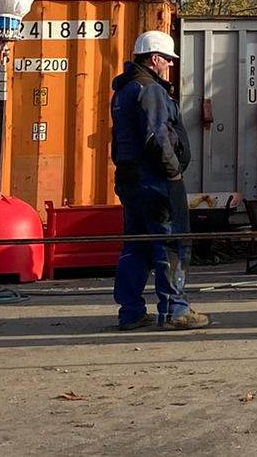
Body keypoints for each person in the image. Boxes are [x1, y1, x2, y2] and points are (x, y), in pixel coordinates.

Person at [110, 31, 206, 330]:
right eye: (167, 59)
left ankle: (131, 311)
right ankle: (175, 310)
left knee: (135, 246)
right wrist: (173, 171)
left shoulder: (123, 91)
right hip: (154, 180)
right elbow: (156, 136)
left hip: (129, 179)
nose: (169, 65)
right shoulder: (150, 89)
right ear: (154, 59)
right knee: (171, 245)